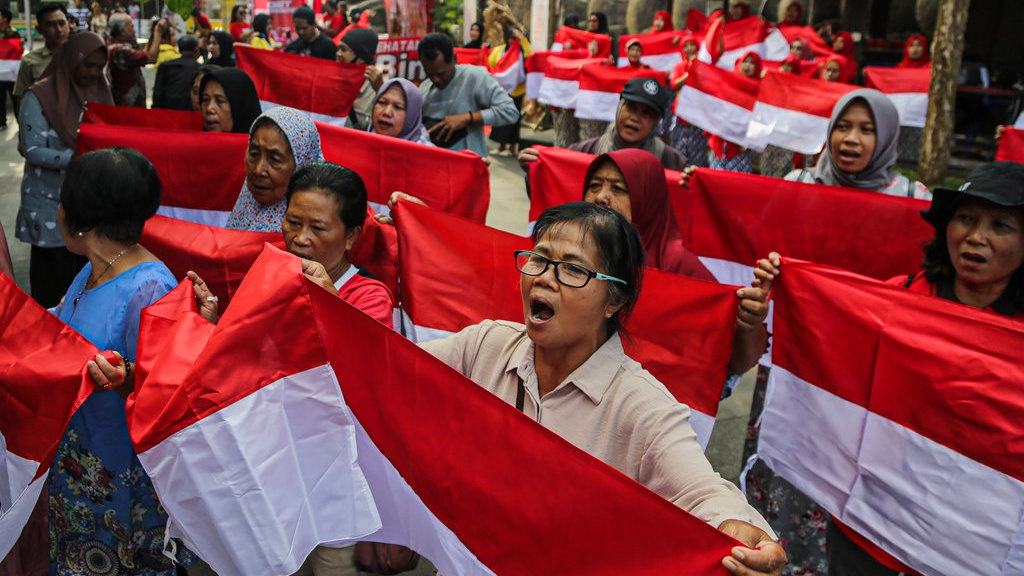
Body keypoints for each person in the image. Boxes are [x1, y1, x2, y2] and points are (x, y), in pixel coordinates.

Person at [395, 201, 786, 576]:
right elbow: (390, 368)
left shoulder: (642, 407)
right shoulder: (485, 346)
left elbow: (701, 490)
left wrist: (743, 531)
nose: (546, 277)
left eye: (573, 270)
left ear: (614, 301)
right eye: (539, 259)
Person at [52, 147, 188, 576]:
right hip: (81, 462)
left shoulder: (148, 288)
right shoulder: (94, 268)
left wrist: (125, 377)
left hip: (121, 481)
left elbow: (167, 390)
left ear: (82, 218)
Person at [582, 149, 769, 378]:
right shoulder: (576, 250)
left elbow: (733, 362)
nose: (601, 197)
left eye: (618, 189)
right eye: (594, 186)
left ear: (648, 198)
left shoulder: (678, 266)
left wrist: (748, 326)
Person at [17, 31, 111, 308]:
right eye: (88, 65)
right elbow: (33, 151)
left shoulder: (98, 91)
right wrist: (82, 157)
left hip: (88, 207)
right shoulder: (39, 97)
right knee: (51, 283)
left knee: (82, 284)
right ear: (71, 60)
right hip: (48, 204)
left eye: (99, 67)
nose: (94, 73)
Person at [785, 88, 931, 200]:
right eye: (842, 127)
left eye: (866, 130)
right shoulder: (797, 185)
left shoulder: (911, 196)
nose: (851, 138)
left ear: (886, 139)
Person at [519, 77, 688, 171]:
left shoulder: (672, 163)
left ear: (656, 122)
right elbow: (555, 191)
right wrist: (534, 171)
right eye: (630, 108)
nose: (635, 118)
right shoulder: (585, 152)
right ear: (619, 107)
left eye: (646, 114)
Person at [417, 32, 518, 157]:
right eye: (430, 74)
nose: (436, 79)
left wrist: (467, 118)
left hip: (469, 166)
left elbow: (510, 112)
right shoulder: (424, 89)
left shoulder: (474, 77)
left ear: (454, 59)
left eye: (441, 74)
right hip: (435, 166)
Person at [226, 106, 324, 231]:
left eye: (274, 159)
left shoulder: (309, 236)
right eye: (254, 154)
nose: (258, 170)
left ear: (302, 166)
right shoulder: (246, 205)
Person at [706, 51, 760, 173]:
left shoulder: (760, 92)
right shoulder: (727, 84)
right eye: (745, 61)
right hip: (718, 147)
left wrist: (750, 141)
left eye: (752, 63)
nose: (747, 65)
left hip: (740, 152)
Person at [13, 4, 69, 120]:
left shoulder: (82, 56)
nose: (58, 29)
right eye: (50, 25)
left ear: (68, 24)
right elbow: (22, 99)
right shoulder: (29, 61)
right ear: (39, 29)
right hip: (43, 126)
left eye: (62, 23)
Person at [487, 19, 532, 156]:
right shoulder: (499, 50)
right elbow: (491, 62)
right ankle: (501, 146)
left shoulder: (522, 50)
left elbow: (530, 56)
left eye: (514, 38)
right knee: (500, 118)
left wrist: (522, 40)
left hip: (516, 91)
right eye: (510, 37)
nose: (512, 40)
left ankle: (512, 147)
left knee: (513, 120)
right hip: (501, 90)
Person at [664, 36, 708, 168]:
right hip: (681, 118)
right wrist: (690, 73)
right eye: (685, 46)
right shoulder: (679, 66)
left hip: (698, 119)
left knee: (697, 156)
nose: (689, 49)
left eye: (692, 45)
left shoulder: (705, 67)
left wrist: (697, 67)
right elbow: (674, 84)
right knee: (678, 153)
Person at [107, 13, 165, 106]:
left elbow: (144, 55)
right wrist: (158, 33)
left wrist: (152, 34)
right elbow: (151, 58)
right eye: (131, 27)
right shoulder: (120, 50)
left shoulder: (118, 46)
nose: (134, 31)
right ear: (122, 31)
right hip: (128, 105)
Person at [337, 27, 382, 130]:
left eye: (343, 50)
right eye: (338, 49)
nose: (338, 54)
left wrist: (380, 90)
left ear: (361, 58)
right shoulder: (333, 84)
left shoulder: (376, 91)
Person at [369, 77, 432, 144]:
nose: (386, 112)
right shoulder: (363, 141)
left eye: (397, 107)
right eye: (382, 103)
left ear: (411, 117)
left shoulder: (426, 153)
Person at [199, 67, 261, 133]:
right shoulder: (194, 141)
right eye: (205, 100)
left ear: (239, 106)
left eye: (219, 101)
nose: (209, 109)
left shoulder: (263, 142)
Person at [153, 33, 201, 110]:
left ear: (179, 50)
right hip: (190, 114)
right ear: (196, 50)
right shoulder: (200, 69)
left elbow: (157, 94)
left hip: (167, 113)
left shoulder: (165, 66)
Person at [0, 8, 21, 130]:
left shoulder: (13, 33)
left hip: (11, 74)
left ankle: (20, 122)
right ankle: (2, 121)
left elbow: (17, 52)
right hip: (0, 72)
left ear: (5, 19)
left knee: (15, 98)